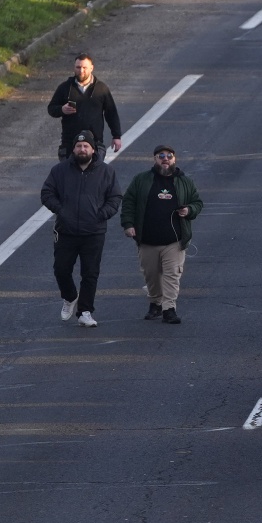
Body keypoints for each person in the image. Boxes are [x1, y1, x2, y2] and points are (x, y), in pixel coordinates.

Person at [41, 132, 121, 328]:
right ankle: (69, 297)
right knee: (61, 269)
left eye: (86, 146)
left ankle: (85, 311)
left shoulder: (106, 172)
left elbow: (115, 198)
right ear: (74, 149)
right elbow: (46, 193)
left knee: (90, 273)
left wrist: (101, 215)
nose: (82, 149)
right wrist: (62, 210)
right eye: (79, 146)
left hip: (93, 232)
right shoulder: (59, 171)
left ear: (93, 149)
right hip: (65, 230)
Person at [121, 144, 203, 324]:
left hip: (174, 240)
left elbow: (197, 202)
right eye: (161, 156)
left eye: (169, 156)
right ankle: (155, 303)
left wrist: (189, 210)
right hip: (147, 240)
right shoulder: (141, 180)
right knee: (151, 274)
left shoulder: (184, 182)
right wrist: (128, 224)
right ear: (155, 159)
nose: (165, 159)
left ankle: (169, 309)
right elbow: (128, 202)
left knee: (172, 273)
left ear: (175, 160)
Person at [47, 53, 123, 158]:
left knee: (94, 174)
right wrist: (61, 109)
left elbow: (111, 113)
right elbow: (51, 108)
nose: (81, 71)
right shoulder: (65, 88)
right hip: (70, 144)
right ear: (74, 68)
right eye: (78, 67)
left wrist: (116, 136)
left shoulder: (101, 89)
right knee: (69, 174)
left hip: (94, 144)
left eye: (84, 67)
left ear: (91, 68)